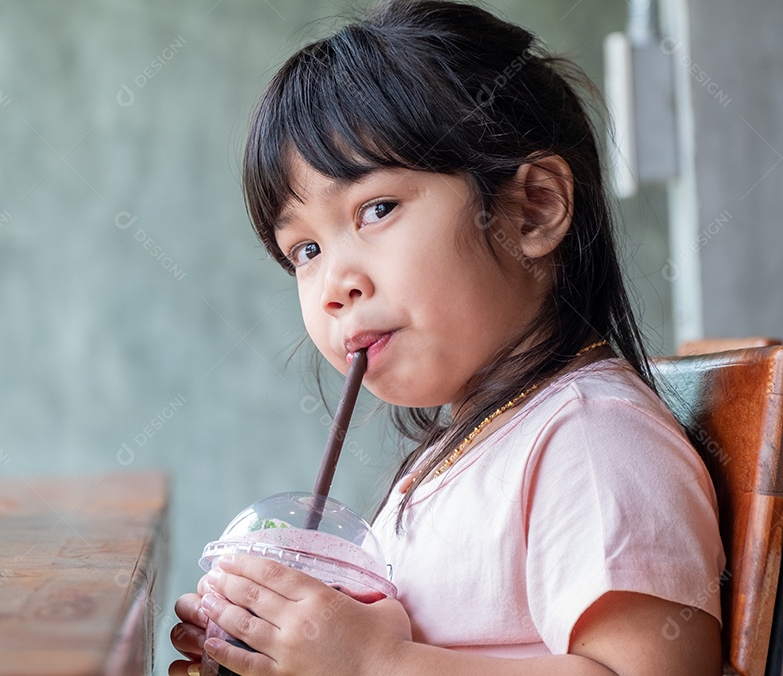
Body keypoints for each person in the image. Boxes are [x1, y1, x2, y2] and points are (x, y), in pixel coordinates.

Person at [170, 1, 726, 674]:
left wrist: (375, 664)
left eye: (376, 209)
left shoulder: (590, 441)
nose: (333, 284)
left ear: (533, 209)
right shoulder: (444, 460)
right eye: (305, 249)